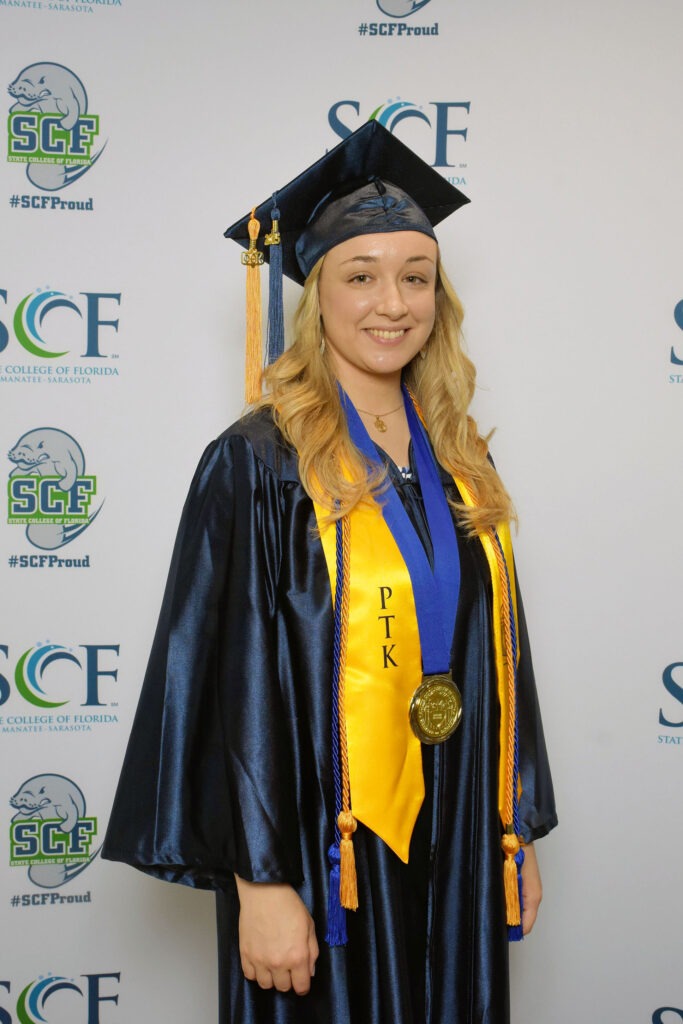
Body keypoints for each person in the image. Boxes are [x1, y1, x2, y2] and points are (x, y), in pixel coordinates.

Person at [103, 120, 557, 1024]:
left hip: (461, 819)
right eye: (360, 276)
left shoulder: (460, 459)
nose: (393, 303)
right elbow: (226, 680)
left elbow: (500, 658)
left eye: (415, 277)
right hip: (324, 839)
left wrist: (513, 825)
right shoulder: (258, 463)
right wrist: (262, 880)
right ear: (315, 297)